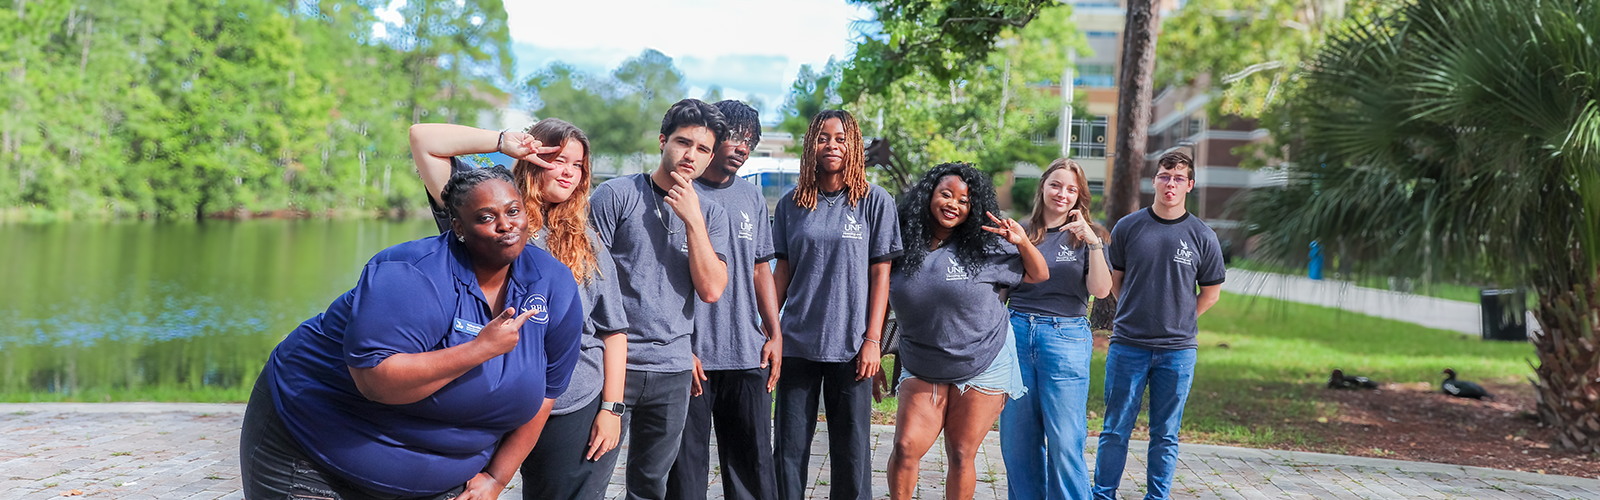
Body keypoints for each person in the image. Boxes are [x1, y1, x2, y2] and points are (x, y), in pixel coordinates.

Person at [239, 167, 584, 500]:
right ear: (459, 227)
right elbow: (376, 383)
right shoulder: (412, 275)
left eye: (513, 211)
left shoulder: (551, 284)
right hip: (313, 443)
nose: (505, 225)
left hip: (443, 475)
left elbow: (546, 395)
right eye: (486, 217)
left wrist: (496, 478)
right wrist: (480, 350)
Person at [409, 119, 630, 500]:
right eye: (558, 159)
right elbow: (423, 139)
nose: (568, 172)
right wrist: (502, 142)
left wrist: (612, 408)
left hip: (569, 403)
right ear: (532, 157)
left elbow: (613, 330)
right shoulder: (486, 211)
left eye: (577, 165)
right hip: (485, 396)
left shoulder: (585, 241)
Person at [590, 98, 731, 500]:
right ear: (662, 141)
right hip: (610, 364)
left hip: (671, 369)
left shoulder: (711, 215)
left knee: (651, 485)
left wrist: (693, 220)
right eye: (683, 142)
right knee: (591, 478)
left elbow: (711, 289)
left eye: (703, 149)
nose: (691, 155)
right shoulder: (617, 195)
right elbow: (587, 280)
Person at [883, 162, 1048, 500]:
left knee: (961, 452)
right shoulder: (899, 243)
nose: (953, 204)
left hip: (983, 360)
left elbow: (1038, 274)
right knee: (905, 447)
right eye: (946, 194)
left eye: (963, 200)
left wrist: (1022, 242)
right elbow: (879, 297)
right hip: (922, 361)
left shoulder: (986, 246)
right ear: (928, 196)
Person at [771, 110, 902, 500]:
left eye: (841, 138)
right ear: (811, 144)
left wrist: (873, 340)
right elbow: (782, 272)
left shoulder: (874, 202)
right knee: (789, 451)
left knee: (852, 451)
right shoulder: (792, 204)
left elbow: (882, 276)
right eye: (824, 138)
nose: (832, 145)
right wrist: (769, 332)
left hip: (852, 348)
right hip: (797, 345)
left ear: (854, 146)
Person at [1092, 151, 1226, 500]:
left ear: (1190, 185)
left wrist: (1179, 318)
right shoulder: (1129, 227)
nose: (1171, 184)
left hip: (1178, 352)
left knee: (1165, 433)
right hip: (1128, 345)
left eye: (1179, 178)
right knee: (1115, 429)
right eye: (1165, 176)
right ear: (1155, 180)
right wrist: (1136, 309)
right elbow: (1115, 280)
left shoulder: (1202, 236)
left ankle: (1157, 497)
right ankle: (1103, 494)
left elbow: (1210, 293)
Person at [666, 100, 781, 500]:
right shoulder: (679, 192)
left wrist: (774, 333)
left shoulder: (751, 197)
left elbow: (759, 268)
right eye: (734, 137)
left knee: (753, 469)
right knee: (686, 474)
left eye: (750, 141)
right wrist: (681, 346)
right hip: (691, 356)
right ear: (712, 139)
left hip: (747, 353)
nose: (742, 147)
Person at [1000, 158, 1112, 500]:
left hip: (1065, 338)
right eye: (1056, 185)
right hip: (1017, 334)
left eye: (1071, 189)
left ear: (1079, 197)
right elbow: (1000, 289)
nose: (1062, 194)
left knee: (1065, 442)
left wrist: (1093, 242)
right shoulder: (1020, 231)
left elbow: (1101, 290)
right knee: (1018, 443)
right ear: (1043, 188)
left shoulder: (1087, 237)